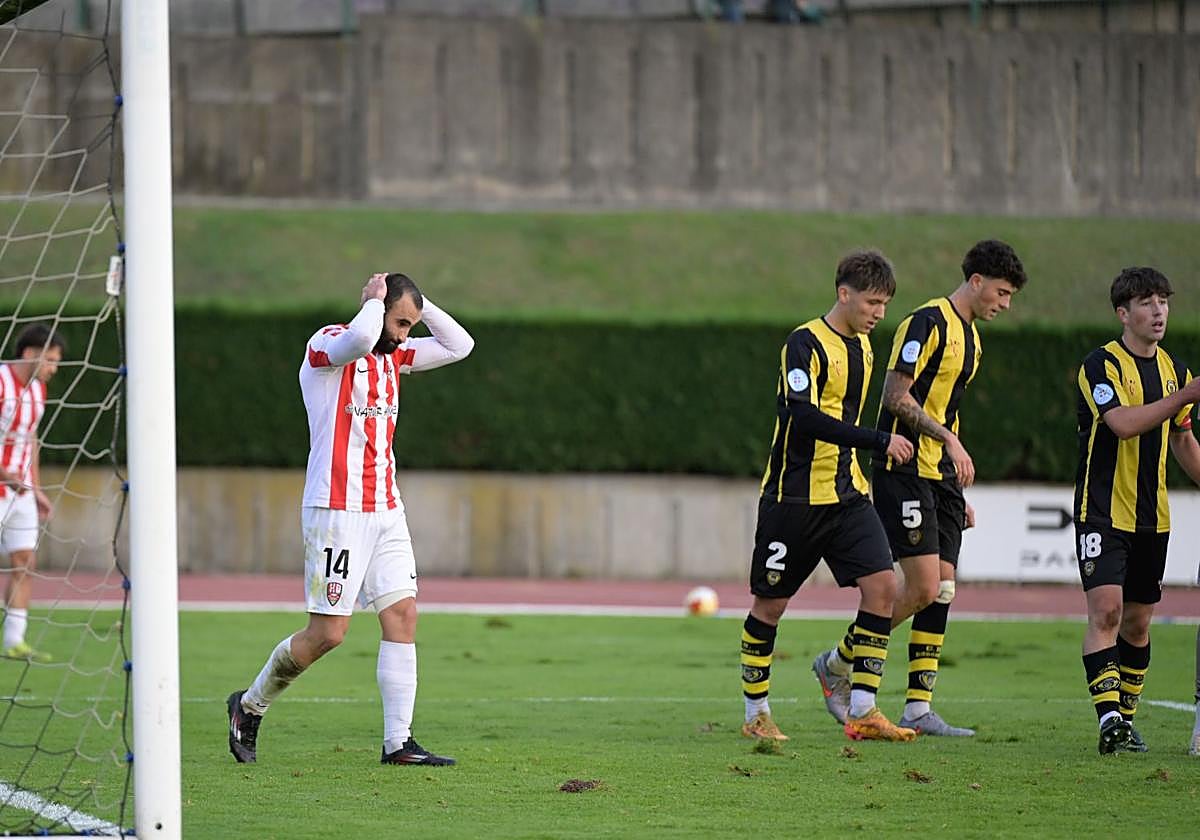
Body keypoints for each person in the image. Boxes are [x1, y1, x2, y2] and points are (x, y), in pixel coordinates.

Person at [227, 273, 474, 766]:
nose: (405, 336)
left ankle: (398, 743)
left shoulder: (394, 357)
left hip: (386, 509)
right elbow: (361, 336)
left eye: (411, 325)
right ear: (376, 308)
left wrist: (416, 309)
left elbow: (460, 344)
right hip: (336, 510)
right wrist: (374, 301)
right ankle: (249, 706)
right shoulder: (327, 344)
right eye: (399, 323)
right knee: (328, 635)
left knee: (402, 615)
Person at [811, 239, 1027, 737]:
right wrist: (949, 440)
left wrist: (955, 482)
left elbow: (947, 408)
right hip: (903, 468)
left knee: (942, 589)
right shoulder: (927, 323)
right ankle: (840, 663)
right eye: (1001, 291)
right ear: (976, 282)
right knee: (923, 586)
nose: (1004, 303)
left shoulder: (972, 338)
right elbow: (894, 395)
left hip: (940, 477)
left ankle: (917, 707)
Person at [740, 250, 917, 744]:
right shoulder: (804, 343)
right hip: (793, 498)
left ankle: (862, 708)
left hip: (847, 495)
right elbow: (804, 416)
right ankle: (756, 712)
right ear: (844, 293)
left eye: (885, 304)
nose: (879, 313)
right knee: (769, 606)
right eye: (873, 302)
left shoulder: (864, 348)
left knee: (883, 587)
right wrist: (878, 441)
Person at [1074, 267, 1200, 754]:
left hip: (1154, 517)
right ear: (1122, 313)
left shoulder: (1175, 371)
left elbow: (1184, 442)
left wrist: (1181, 401)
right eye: (1146, 302)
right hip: (1102, 512)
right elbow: (1123, 424)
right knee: (1106, 609)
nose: (1159, 310)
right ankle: (1109, 721)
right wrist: (1184, 397)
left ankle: (1125, 720)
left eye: (1164, 301)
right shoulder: (1099, 365)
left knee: (1139, 623)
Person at [1, 324, 64, 662]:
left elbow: (31, 438)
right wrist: (4, 474)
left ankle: (14, 640)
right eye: (51, 361)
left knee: (25, 560)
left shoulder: (38, 390)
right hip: (1, 483)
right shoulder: (0, 382)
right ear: (30, 353)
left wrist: (36, 488)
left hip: (20, 491)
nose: (53, 369)